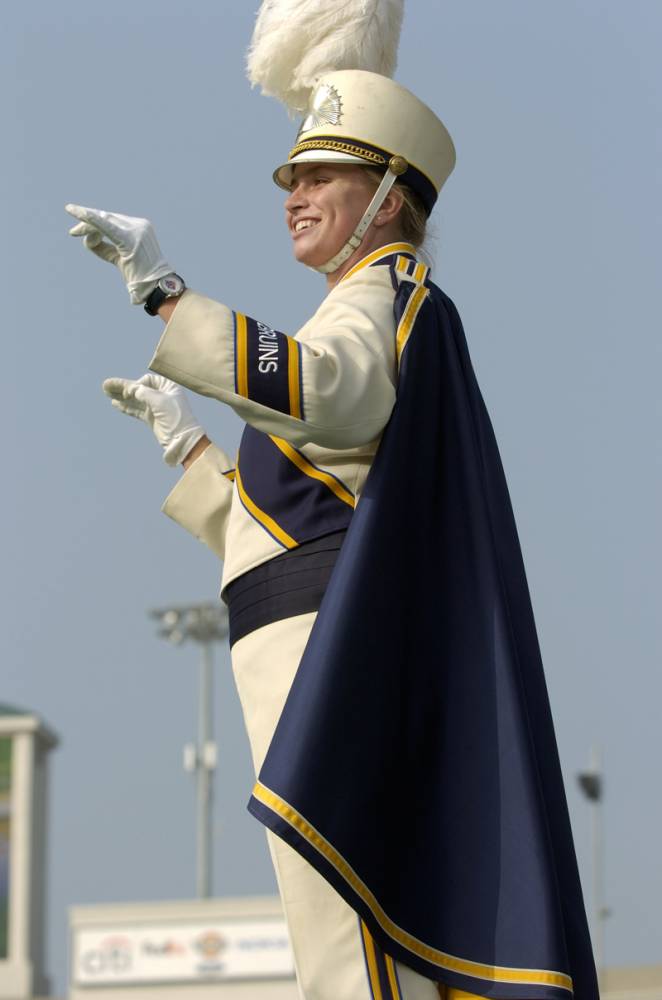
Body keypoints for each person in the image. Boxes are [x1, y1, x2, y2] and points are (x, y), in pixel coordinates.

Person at [67, 69, 597, 1000]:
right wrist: (187, 446)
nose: (294, 196)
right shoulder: (351, 307)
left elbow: (322, 391)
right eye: (288, 181)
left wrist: (167, 296)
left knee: (356, 954)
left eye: (319, 175)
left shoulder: (381, 297)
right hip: (301, 651)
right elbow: (277, 533)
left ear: (390, 196)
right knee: (337, 951)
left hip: (334, 662)